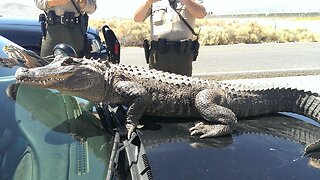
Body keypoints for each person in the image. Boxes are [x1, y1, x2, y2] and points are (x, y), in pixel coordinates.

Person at [134, 0, 206, 76]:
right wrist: (148, 3)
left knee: (182, 86)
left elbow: (201, 14)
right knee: (156, 85)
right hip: (158, 54)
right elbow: (137, 18)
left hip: (182, 54)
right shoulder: (154, 2)